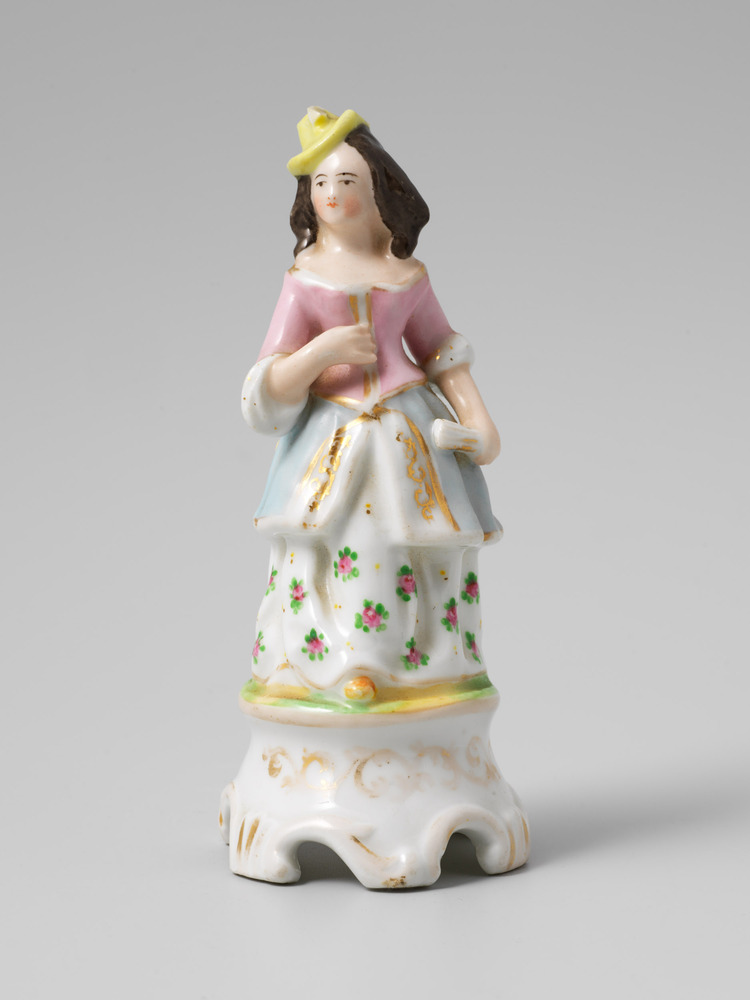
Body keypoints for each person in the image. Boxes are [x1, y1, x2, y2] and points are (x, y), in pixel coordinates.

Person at [241, 108, 503, 716]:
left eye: (347, 180)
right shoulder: (304, 279)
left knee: (412, 545)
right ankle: (344, 668)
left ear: (379, 188)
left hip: (410, 436)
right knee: (339, 544)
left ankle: (431, 668)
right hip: (330, 437)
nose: (331, 194)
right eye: (320, 183)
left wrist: (479, 419)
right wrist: (321, 353)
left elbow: (441, 349)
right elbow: (267, 379)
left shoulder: (405, 274)